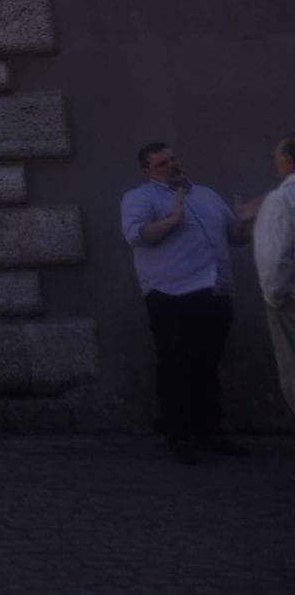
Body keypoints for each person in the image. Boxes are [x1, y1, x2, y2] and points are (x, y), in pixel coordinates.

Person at [121, 143, 259, 464]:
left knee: (208, 366)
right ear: (148, 169)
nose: (172, 165)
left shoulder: (207, 195)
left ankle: (210, 432)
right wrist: (173, 219)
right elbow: (136, 235)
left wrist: (245, 222)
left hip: (215, 292)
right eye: (163, 162)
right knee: (175, 367)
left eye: (174, 158)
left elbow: (234, 237)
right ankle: (179, 438)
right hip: (172, 295)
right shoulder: (140, 197)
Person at [254, 135, 295, 418]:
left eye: (276, 158)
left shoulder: (282, 199)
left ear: (289, 162)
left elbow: (274, 256)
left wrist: (273, 296)